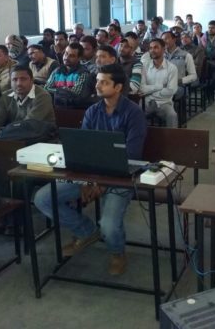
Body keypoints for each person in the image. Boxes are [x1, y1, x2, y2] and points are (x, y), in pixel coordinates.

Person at [34, 64, 147, 275]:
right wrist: (88, 181)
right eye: (97, 81)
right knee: (43, 198)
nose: (97, 85)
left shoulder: (133, 113)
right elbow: (83, 150)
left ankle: (117, 252)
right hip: (90, 175)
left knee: (109, 225)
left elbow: (131, 155)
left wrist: (101, 183)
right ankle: (86, 231)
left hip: (121, 178)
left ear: (118, 87)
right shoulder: (93, 111)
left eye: (104, 82)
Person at [0, 65, 55, 136]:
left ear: (32, 80)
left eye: (23, 79)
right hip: (13, 136)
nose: (19, 83)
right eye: (14, 79)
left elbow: (28, 124)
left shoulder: (43, 96)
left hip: (42, 137)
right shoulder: (6, 96)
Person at [140, 38, 178, 127]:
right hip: (146, 102)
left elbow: (171, 91)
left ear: (164, 49)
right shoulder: (145, 66)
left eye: (156, 47)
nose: (152, 50)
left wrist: (150, 92)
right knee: (133, 114)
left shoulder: (172, 68)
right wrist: (160, 86)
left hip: (164, 103)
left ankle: (172, 136)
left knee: (172, 115)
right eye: (150, 48)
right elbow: (142, 88)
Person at [43, 43, 93, 107]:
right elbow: (46, 88)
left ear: (79, 58)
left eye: (71, 56)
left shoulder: (83, 73)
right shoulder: (57, 70)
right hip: (55, 105)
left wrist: (56, 90)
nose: (66, 57)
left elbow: (74, 94)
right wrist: (62, 90)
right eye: (66, 53)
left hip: (72, 108)